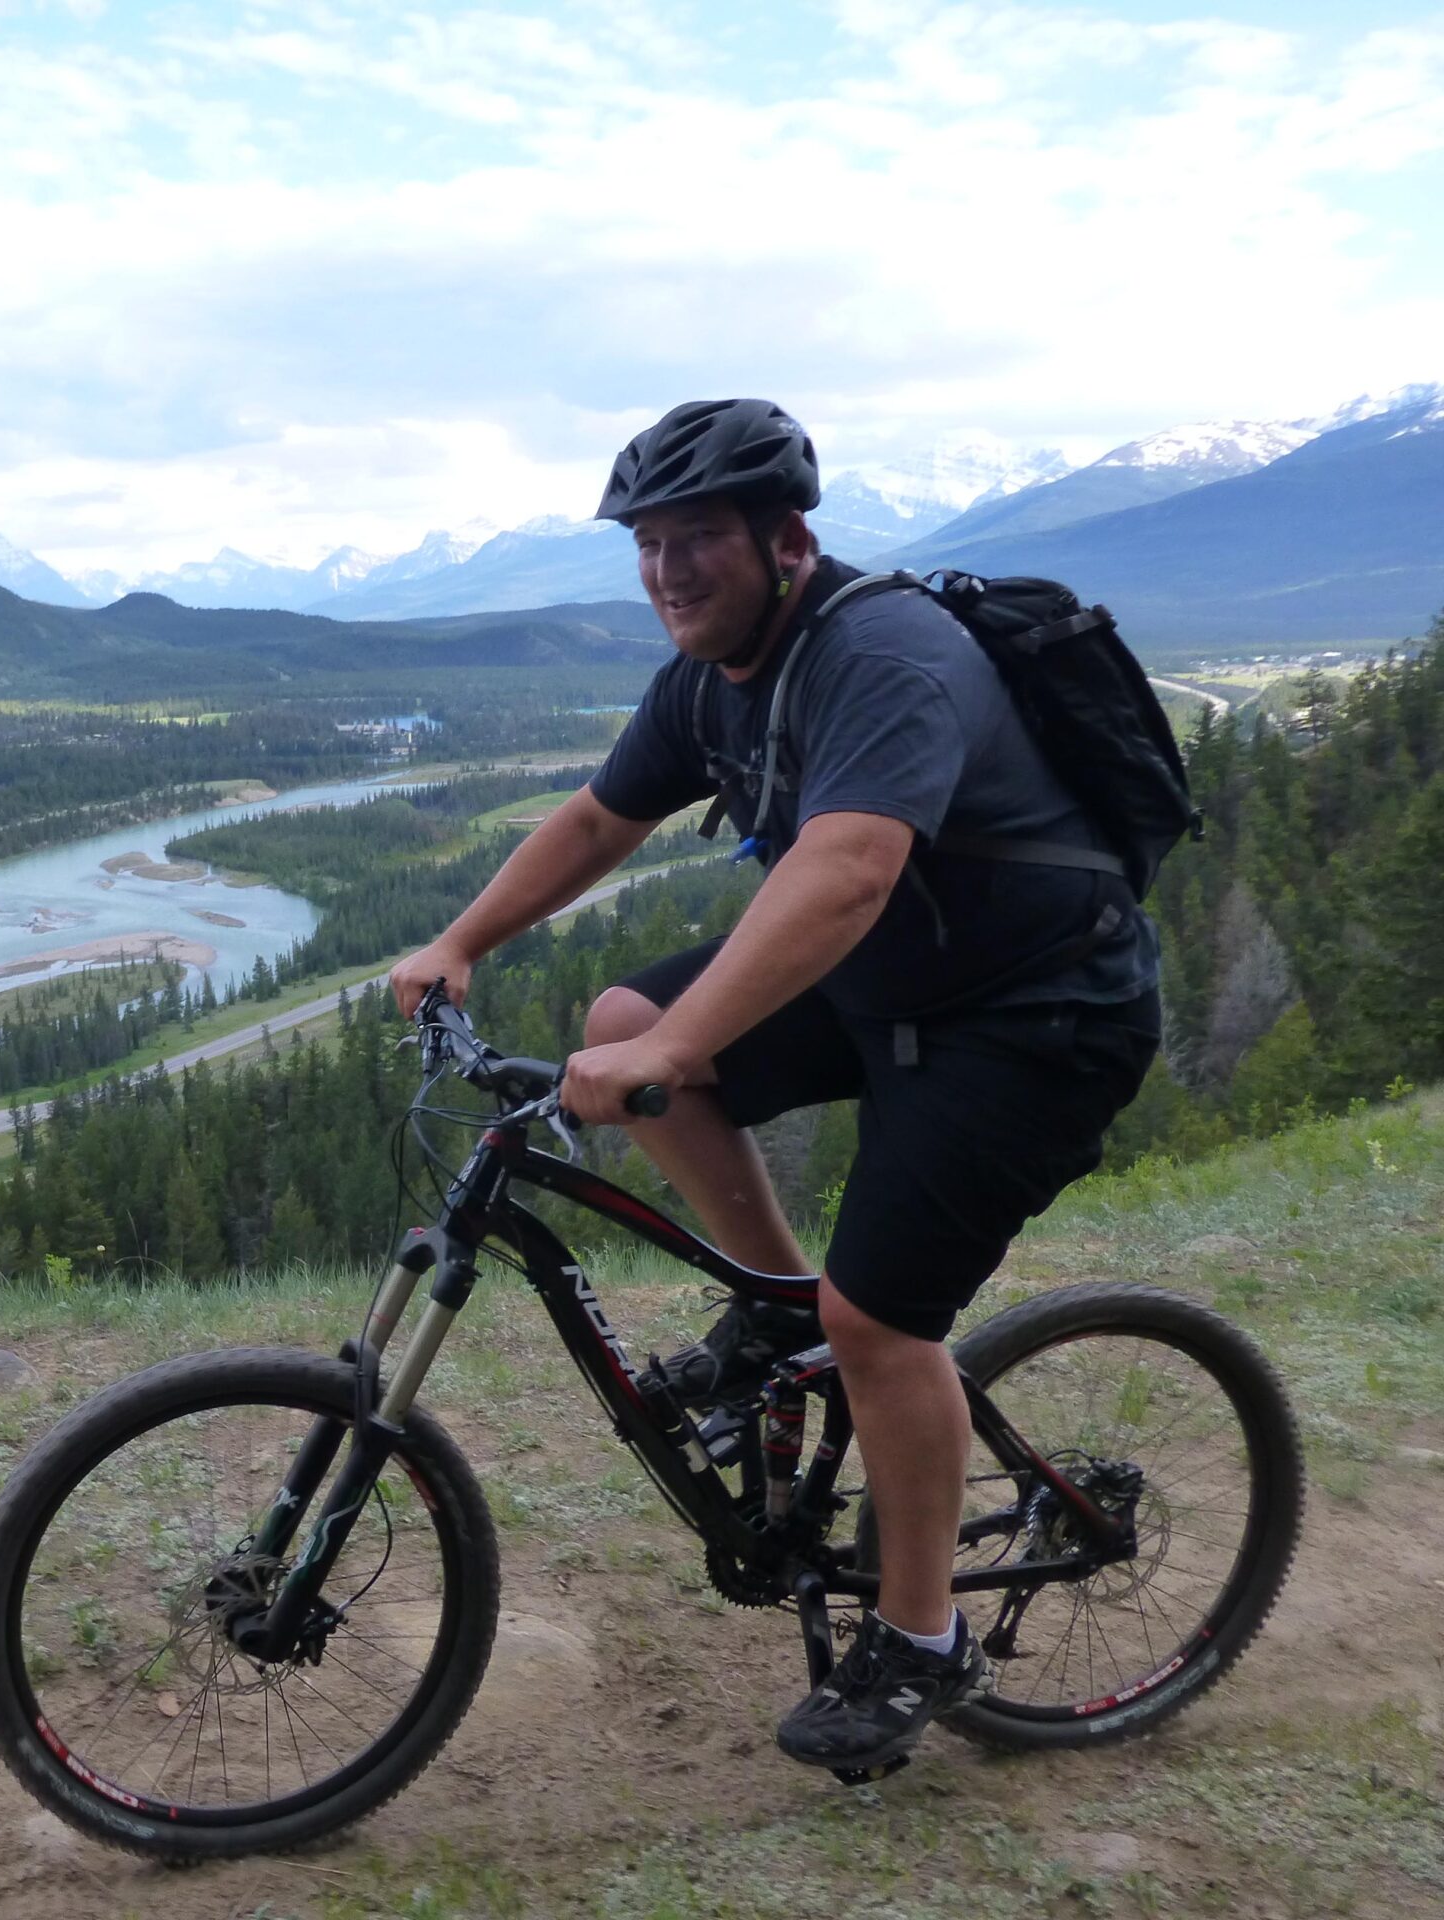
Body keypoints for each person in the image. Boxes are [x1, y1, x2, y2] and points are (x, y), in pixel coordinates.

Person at [387, 397, 1160, 1774]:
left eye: (698, 542)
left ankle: (919, 1641)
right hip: (893, 983)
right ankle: (779, 1310)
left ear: (787, 541)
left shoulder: (885, 653)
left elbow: (848, 867)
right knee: (628, 1010)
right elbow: (594, 819)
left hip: (1036, 1015)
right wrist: (462, 943)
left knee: (883, 1315)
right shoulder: (708, 673)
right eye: (649, 544)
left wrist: (680, 1053)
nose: (668, 571)